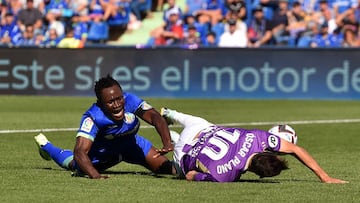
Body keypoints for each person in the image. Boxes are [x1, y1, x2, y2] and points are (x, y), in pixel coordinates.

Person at [35, 75, 175, 179]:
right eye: (110, 102)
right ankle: (46, 146)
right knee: (75, 164)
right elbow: (79, 151)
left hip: (132, 145)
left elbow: (156, 117)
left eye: (119, 98)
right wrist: (96, 176)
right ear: (101, 103)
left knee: (170, 169)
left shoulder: (130, 100)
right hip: (103, 154)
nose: (117, 105)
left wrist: (167, 142)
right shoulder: (93, 117)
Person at [160, 107, 348, 183]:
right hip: (183, 152)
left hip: (200, 130)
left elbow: (296, 149)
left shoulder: (258, 137)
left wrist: (324, 176)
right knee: (181, 171)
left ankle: (172, 113)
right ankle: (174, 138)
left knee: (202, 122)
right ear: (258, 174)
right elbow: (191, 175)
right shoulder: (226, 176)